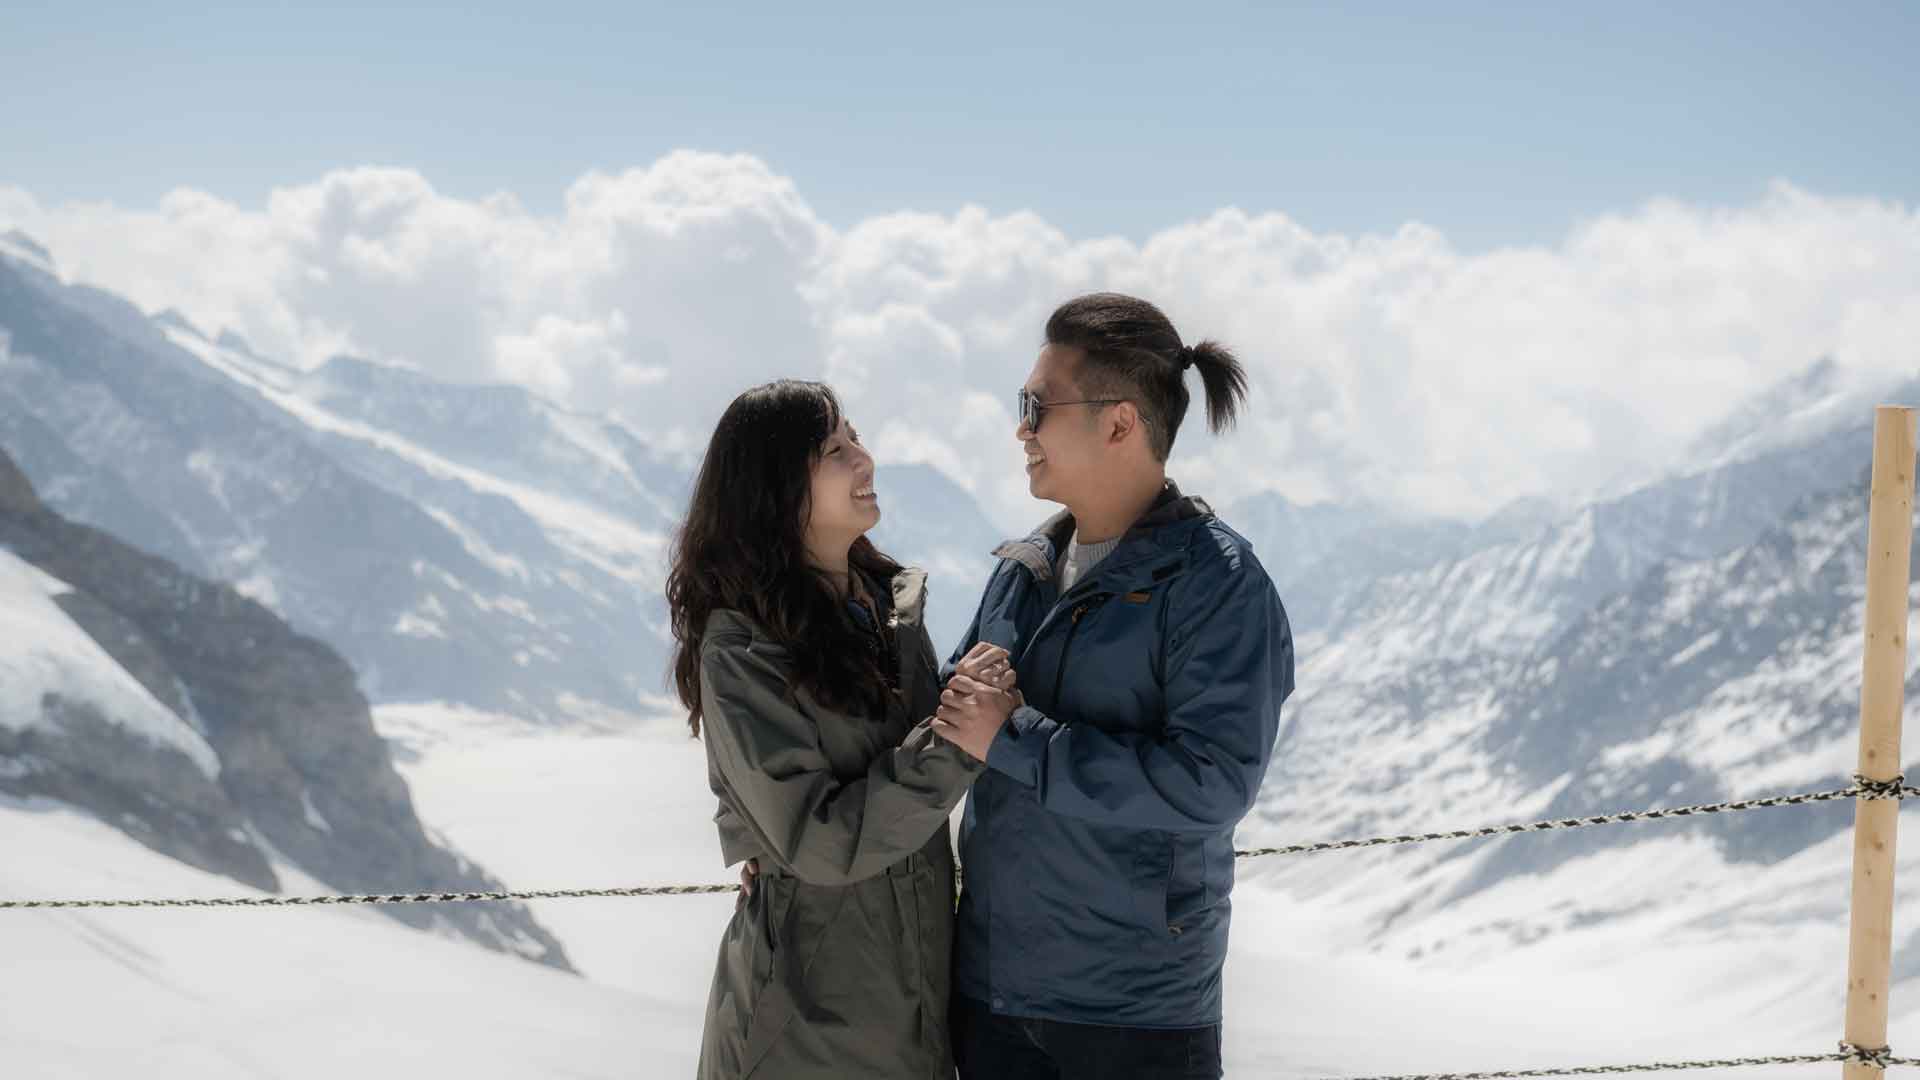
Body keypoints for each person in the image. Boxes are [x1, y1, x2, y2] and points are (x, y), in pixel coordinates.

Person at [930, 293, 1296, 1080]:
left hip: (1134, 1019)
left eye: (1036, 405)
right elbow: (946, 713)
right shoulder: (1022, 570)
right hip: (991, 999)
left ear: (1120, 422)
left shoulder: (1216, 586)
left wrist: (1014, 738)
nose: (1021, 428)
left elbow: (1212, 782)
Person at [668, 379, 1011, 1080]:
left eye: (855, 437)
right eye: (834, 449)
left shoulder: (891, 611)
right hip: (800, 1029)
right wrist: (955, 747)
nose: (865, 459)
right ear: (775, 486)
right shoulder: (743, 649)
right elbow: (818, 842)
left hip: (910, 1016)